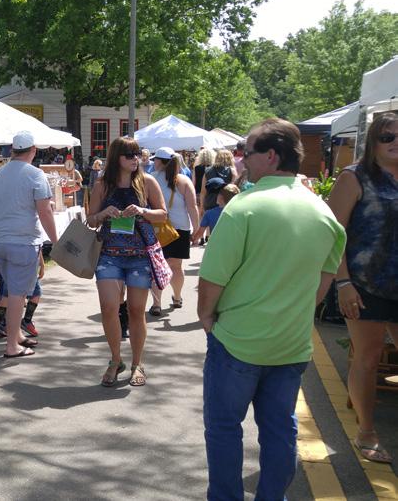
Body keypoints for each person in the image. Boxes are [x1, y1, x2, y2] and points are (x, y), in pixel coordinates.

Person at [197, 118, 346, 499]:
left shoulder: (243, 208)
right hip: (290, 344)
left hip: (237, 340)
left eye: (247, 153)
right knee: (280, 429)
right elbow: (322, 283)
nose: (242, 160)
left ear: (271, 156)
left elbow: (212, 279)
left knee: (224, 428)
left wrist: (207, 318)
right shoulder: (323, 213)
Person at [326, 111, 398, 464]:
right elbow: (333, 234)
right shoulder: (354, 177)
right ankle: (366, 432)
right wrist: (343, 283)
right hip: (365, 284)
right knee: (368, 358)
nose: (395, 142)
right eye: (387, 136)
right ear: (373, 141)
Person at [87, 137, 167, 387]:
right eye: (129, 155)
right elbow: (90, 220)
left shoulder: (147, 181)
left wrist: (143, 211)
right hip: (108, 254)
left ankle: (137, 363)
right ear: (116, 158)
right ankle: (115, 360)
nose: (136, 159)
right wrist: (103, 213)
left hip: (139, 256)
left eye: (137, 154)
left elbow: (162, 214)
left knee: (136, 310)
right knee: (108, 307)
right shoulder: (103, 185)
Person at [0, 130, 59, 358]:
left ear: (12, 150)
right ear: (33, 150)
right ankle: (12, 346)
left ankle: (16, 335)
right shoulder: (35, 175)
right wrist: (56, 241)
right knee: (18, 294)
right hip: (22, 241)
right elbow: (45, 212)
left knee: (12, 289)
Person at [147, 147, 200, 316]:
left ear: (160, 161)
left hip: (156, 227)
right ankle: (177, 297)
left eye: (155, 159)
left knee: (157, 267)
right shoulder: (183, 180)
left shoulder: (150, 179)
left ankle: (156, 304)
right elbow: (192, 206)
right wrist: (196, 229)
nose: (153, 162)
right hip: (180, 228)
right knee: (176, 266)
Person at [0, 251, 44, 338]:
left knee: (7, 294)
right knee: (36, 293)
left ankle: (2, 324)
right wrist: (42, 265)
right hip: (26, 262)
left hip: (9, 262)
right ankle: (27, 321)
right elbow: (37, 247)